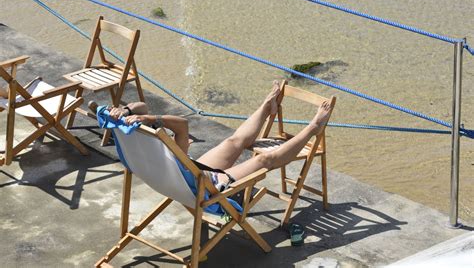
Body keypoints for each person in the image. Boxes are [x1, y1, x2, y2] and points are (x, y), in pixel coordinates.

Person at [93, 81, 333, 191]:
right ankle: (314, 127)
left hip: (180, 177)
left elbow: (140, 107)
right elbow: (183, 126)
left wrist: (124, 111)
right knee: (263, 160)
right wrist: (153, 119)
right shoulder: (166, 147)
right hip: (202, 189)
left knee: (233, 142)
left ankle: (265, 106)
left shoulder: (137, 145)